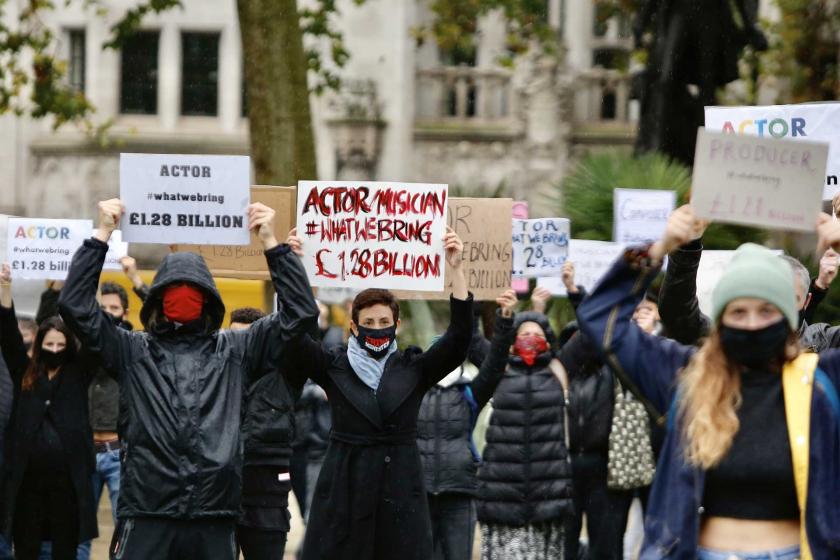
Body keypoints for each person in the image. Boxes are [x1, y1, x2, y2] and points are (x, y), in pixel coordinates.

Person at [57, 199, 319, 560]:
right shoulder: (131, 350)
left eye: (192, 290)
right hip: (148, 512)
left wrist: (272, 245)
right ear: (159, 298)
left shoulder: (236, 350)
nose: (184, 297)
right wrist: (101, 234)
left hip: (213, 513)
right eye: (175, 289)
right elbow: (74, 305)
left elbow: (301, 313)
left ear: (208, 299)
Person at [576, 204, 840, 558]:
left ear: (791, 316)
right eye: (738, 311)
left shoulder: (820, 381)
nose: (751, 323)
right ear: (720, 318)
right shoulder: (685, 374)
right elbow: (599, 317)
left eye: (767, 311)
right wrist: (659, 247)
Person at [278, 227, 473, 560]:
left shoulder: (415, 367)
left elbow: (458, 339)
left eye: (384, 320)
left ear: (396, 325)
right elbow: (294, 340)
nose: (377, 327)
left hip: (400, 489)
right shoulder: (333, 365)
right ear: (354, 327)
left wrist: (456, 269)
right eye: (369, 320)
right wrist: (294, 267)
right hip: (345, 487)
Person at [0, 264, 98, 560]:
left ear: (69, 346)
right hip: (27, 483)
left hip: (67, 483)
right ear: (40, 345)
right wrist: (5, 287)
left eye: (61, 344)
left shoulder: (78, 373)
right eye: (49, 343)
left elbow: (94, 337)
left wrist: (88, 285)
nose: (55, 349)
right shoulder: (24, 372)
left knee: (65, 549)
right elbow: (7, 335)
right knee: (26, 547)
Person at [418, 289, 518, 560]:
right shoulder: (414, 391)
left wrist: (505, 320)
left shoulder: (470, 394)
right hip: (420, 493)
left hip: (459, 494)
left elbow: (496, 363)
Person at [476, 309, 574, 560]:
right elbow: (468, 338)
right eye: (524, 333)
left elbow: (590, 332)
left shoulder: (560, 368)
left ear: (548, 341)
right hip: (503, 496)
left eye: (537, 334)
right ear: (512, 341)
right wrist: (501, 320)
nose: (530, 338)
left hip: (547, 497)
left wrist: (574, 292)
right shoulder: (497, 368)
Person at [658, 218, 838, 349]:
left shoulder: (823, 342)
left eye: (789, 298)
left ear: (806, 302)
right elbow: (679, 314)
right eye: (771, 296)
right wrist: (688, 244)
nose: (781, 305)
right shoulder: (723, 340)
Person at [230, 306, 300, 560]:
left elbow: (303, 323)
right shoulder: (217, 376)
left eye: (248, 338)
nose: (240, 346)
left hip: (267, 500)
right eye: (234, 337)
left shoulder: (286, 376)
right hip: (222, 497)